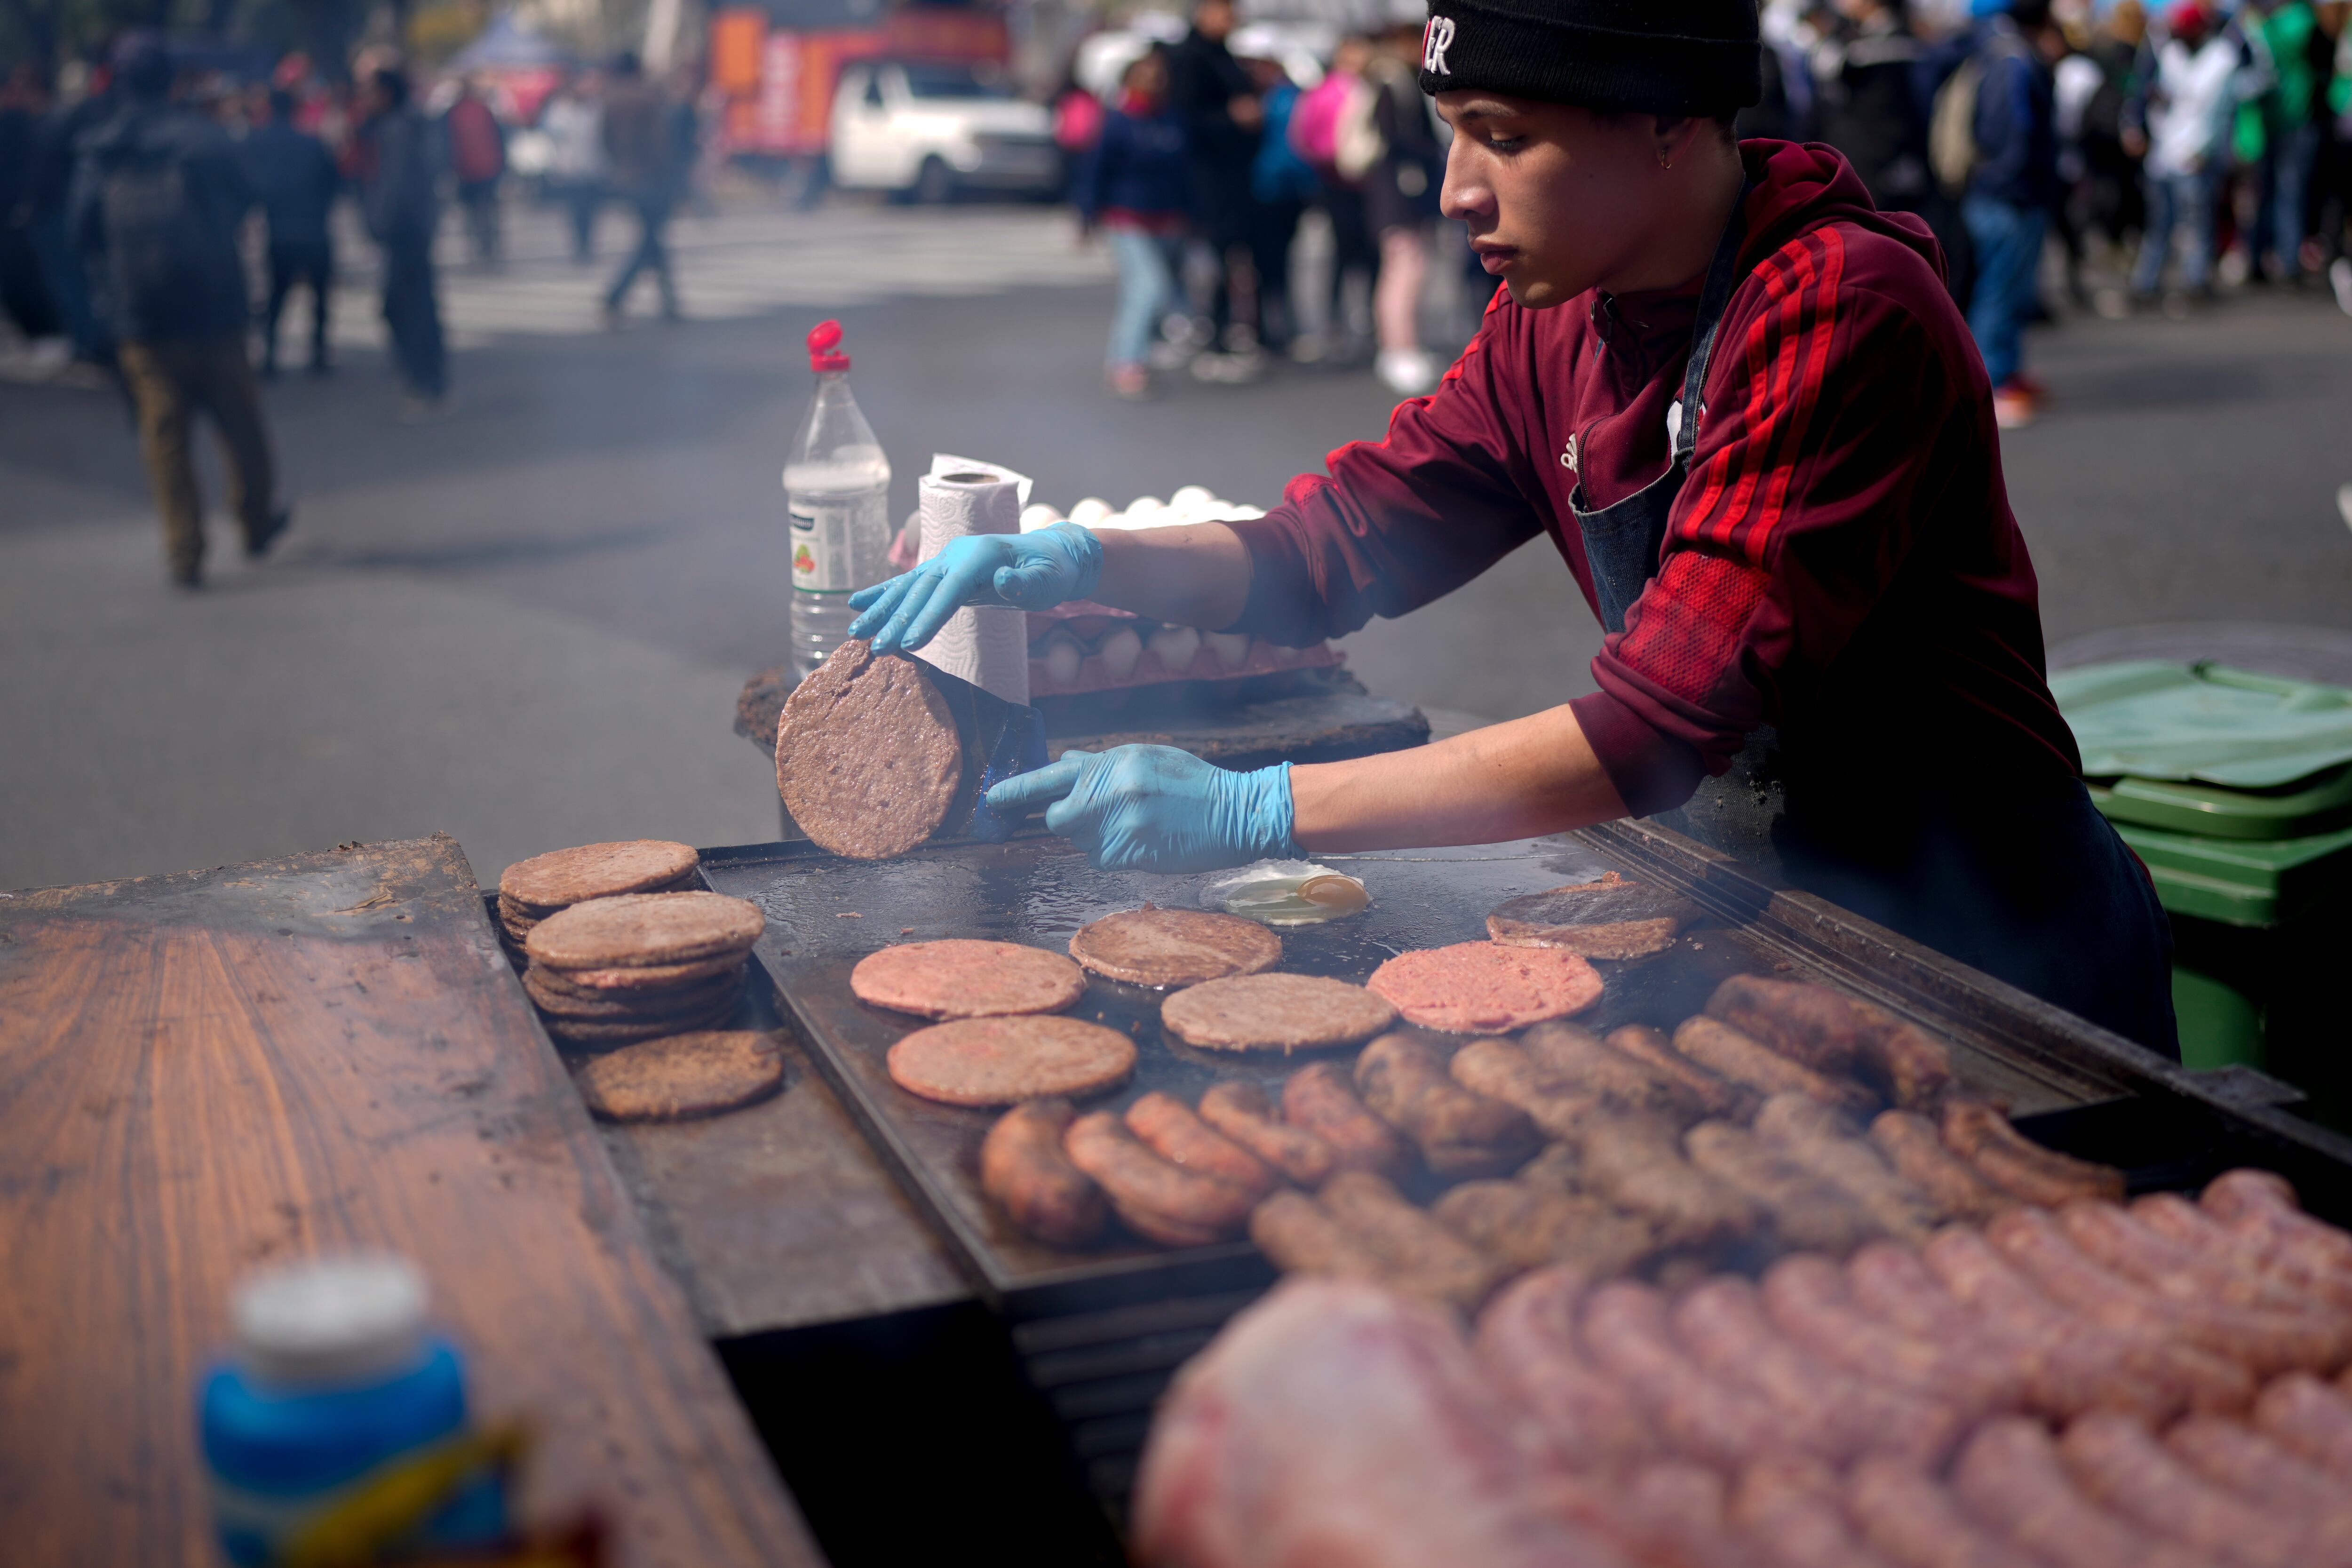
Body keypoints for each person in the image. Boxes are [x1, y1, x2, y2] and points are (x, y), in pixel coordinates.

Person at [846, 0, 2177, 1056]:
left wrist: (1262, 807)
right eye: (1449, 133)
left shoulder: (1839, 307)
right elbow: (1341, 544)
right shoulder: (1554, 317)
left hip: (1991, 948)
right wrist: (1082, 559)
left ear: (1664, 121)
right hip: (1786, 912)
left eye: (1502, 134)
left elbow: (1654, 728)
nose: (1452, 191)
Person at [70, 35, 288, 587]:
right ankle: (256, 520)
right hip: (215, 309)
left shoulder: (101, 149)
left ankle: (184, 549)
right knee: (242, 427)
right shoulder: (203, 139)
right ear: (173, 81)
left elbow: (81, 232)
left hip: (142, 317)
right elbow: (248, 199)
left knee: (165, 438)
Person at [1953, 0, 2062, 430]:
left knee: (2009, 289)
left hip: (1998, 191)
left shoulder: (1994, 51)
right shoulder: (2014, 59)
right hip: (2009, 196)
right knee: (1999, 290)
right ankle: (1992, 385)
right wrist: (2016, 182)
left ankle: (2006, 375)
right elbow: (2013, 132)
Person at [1076, 48, 1192, 399]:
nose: (1154, 81)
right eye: (1145, 74)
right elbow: (1093, 171)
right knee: (1148, 286)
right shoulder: (1118, 122)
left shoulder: (1172, 120)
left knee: (1158, 289)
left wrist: (1195, 214)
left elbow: (1187, 174)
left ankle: (1147, 345)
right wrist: (1086, 215)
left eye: (1158, 75)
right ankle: (1125, 360)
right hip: (1126, 218)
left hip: (1167, 219)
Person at [1166, 0, 1264, 372]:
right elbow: (1188, 118)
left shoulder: (1224, 54)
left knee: (1232, 255)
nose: (1231, 19)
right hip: (1206, 176)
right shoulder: (1192, 57)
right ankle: (1209, 332)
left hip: (1232, 173)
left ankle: (1225, 329)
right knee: (1212, 255)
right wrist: (1232, 118)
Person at [2132, 1, 2244, 304]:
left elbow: (2219, 114)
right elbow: (2149, 93)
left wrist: (2207, 150)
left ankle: (2195, 282)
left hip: (2195, 155)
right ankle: (2146, 283)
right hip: (2164, 153)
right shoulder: (2169, 55)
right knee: (2159, 225)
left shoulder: (2222, 59)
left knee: (2196, 225)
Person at [355, 65, 447, 418]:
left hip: (405, 232)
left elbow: (396, 186)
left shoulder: (398, 129)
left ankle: (424, 380)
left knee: (405, 307)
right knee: (416, 305)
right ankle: (427, 379)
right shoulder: (407, 124)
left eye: (370, 91)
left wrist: (380, 224)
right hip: (414, 230)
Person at [1363, 23, 1449, 395]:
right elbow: (1394, 138)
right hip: (1397, 195)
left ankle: (1404, 345)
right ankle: (1397, 349)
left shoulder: (1405, 82)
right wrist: (1431, 153)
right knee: (1403, 271)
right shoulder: (1390, 83)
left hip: (1408, 195)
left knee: (1410, 270)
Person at [241, 87, 339, 377]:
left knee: (277, 295)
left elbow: (249, 186)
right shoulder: (312, 143)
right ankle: (319, 352)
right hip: (314, 228)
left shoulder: (257, 142)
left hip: (280, 229)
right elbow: (333, 184)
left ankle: (270, 354)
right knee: (319, 295)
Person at [600, 52, 681, 327]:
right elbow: (661, 144)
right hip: (652, 180)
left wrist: (620, 168)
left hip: (626, 179)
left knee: (653, 241)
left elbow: (605, 141)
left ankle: (669, 302)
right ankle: (616, 295)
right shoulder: (647, 98)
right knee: (651, 242)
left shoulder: (611, 100)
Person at [2247, 0, 2322, 282]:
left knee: (2283, 194)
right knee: (2275, 194)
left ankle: (2284, 260)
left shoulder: (2294, 19)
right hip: (2273, 122)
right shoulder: (2280, 20)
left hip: (2292, 120)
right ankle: (2267, 258)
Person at [539, 72, 604, 263]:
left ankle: (588, 244)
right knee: (574, 211)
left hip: (591, 168)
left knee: (591, 211)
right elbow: (551, 137)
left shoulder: (595, 109)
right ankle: (579, 246)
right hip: (569, 169)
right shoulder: (560, 110)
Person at [443, 75, 505, 267]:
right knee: (486, 211)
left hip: (467, 171)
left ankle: (479, 248)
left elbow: (446, 145)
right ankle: (488, 247)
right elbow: (500, 139)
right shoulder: (483, 110)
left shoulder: (453, 113)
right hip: (486, 169)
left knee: (473, 213)